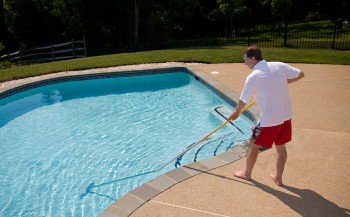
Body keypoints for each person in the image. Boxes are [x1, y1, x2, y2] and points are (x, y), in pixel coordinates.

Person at [228, 45, 304, 186]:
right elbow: (301, 74)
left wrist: (236, 112)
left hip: (269, 120)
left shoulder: (253, 76)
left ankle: (247, 173)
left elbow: (243, 100)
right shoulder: (279, 66)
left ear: (253, 58)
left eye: (246, 60)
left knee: (253, 146)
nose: (244, 63)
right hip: (286, 116)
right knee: (281, 148)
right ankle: (278, 178)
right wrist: (284, 82)